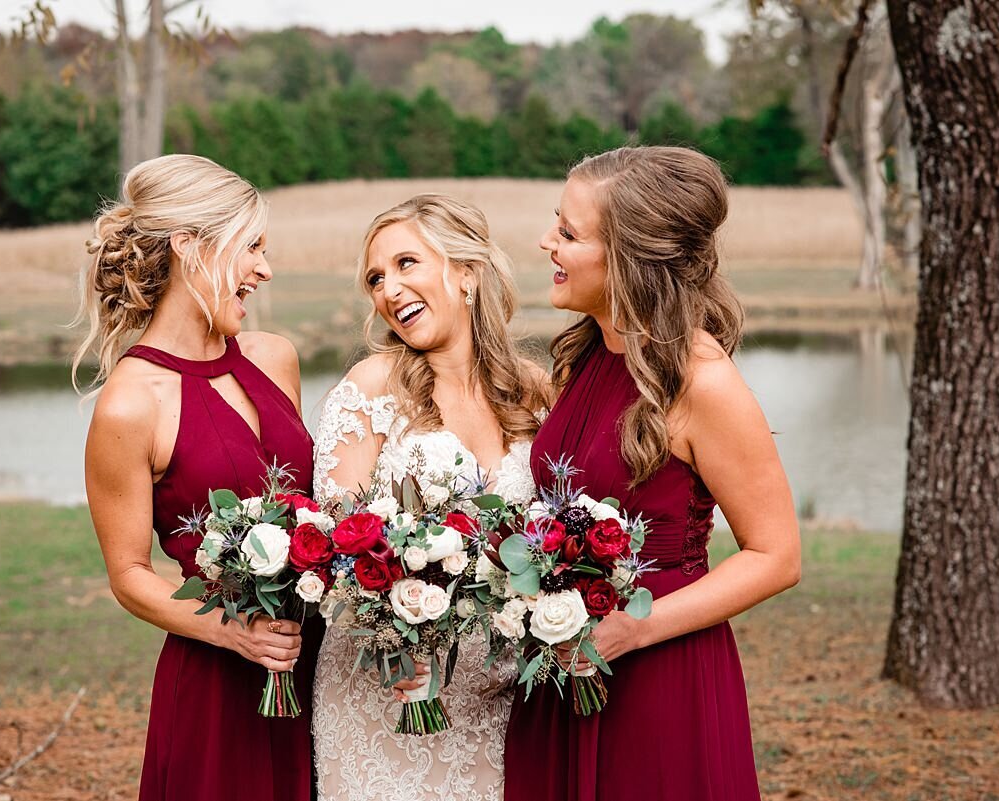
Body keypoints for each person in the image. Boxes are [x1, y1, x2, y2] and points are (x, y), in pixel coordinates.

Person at [502, 146, 801, 801]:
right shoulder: (586, 357)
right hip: (564, 664)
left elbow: (777, 556)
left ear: (629, 259)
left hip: (661, 670)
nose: (545, 241)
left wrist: (636, 628)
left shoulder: (703, 382)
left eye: (569, 233)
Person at [77, 154, 318, 801]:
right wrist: (232, 631)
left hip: (314, 663)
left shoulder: (276, 358)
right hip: (216, 683)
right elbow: (129, 573)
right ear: (189, 246)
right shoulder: (131, 403)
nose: (264, 269)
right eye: (252, 247)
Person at [311, 194, 549, 801]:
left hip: (502, 700)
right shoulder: (369, 390)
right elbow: (336, 556)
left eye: (407, 263)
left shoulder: (535, 391)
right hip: (389, 692)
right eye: (376, 277)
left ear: (465, 272)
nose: (389, 289)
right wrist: (396, 641)